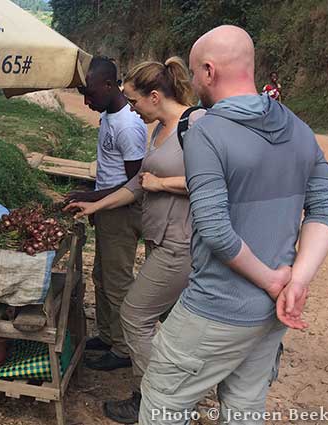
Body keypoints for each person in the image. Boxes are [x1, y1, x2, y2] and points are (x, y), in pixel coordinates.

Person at [138, 26, 328, 425]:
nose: (194, 83)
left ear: (209, 71)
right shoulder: (299, 128)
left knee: (163, 398)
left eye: (195, 73)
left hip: (217, 307)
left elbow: (215, 229)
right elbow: (326, 208)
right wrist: (295, 281)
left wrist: (270, 280)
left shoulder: (207, 132)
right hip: (271, 313)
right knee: (245, 405)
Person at [66, 56, 201, 423]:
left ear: (155, 96)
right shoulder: (158, 130)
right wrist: (96, 205)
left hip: (182, 242)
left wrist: (163, 184)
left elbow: (217, 180)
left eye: (135, 100)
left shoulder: (198, 125)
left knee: (134, 314)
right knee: (175, 320)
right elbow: (134, 185)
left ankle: (152, 399)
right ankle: (180, 387)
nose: (132, 107)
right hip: (161, 240)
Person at [70, 56, 147, 371]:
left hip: (121, 211)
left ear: (107, 84)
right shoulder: (109, 116)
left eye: (90, 94)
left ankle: (123, 349)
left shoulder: (128, 125)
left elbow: (134, 184)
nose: (87, 102)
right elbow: (110, 172)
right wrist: (94, 204)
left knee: (116, 281)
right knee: (101, 275)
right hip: (106, 208)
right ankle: (107, 334)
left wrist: (90, 197)